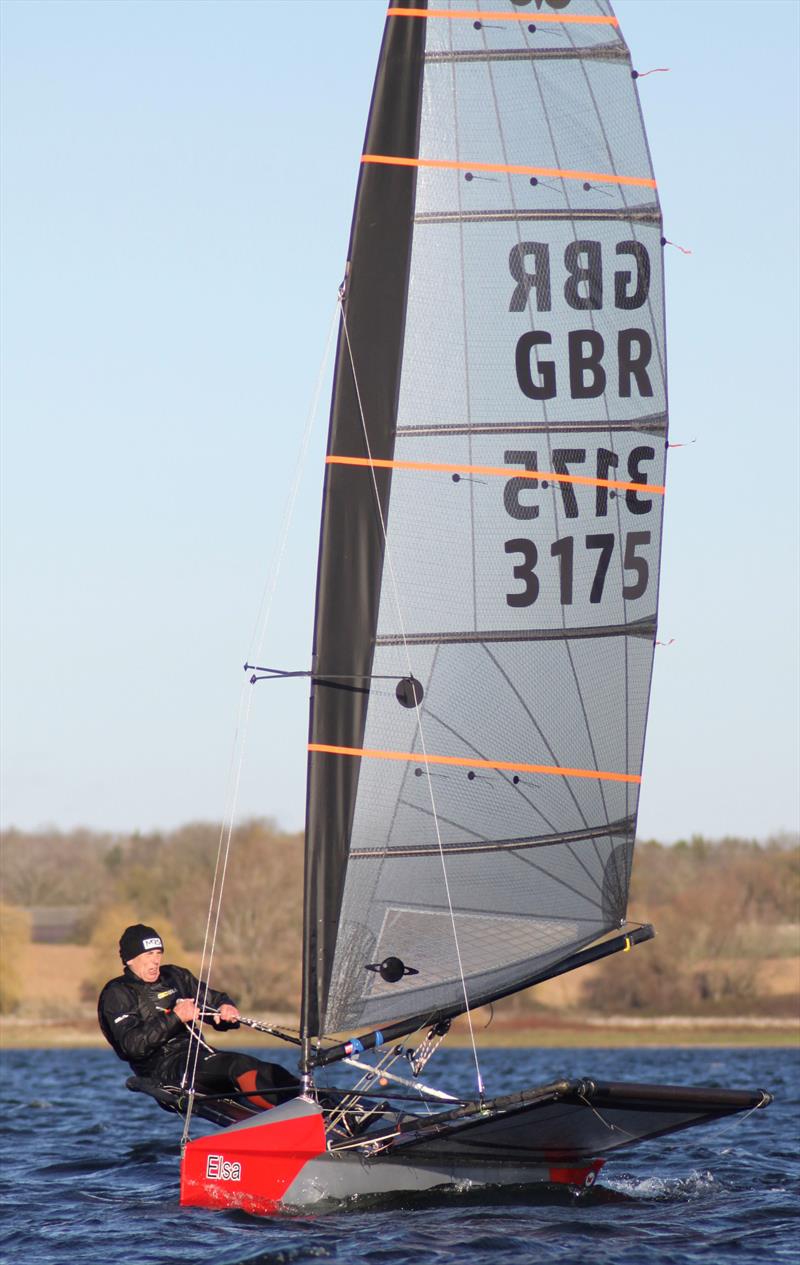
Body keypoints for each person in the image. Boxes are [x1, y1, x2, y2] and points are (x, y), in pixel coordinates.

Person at [98, 923, 300, 1110]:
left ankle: (320, 1104)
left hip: (200, 1057)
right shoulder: (118, 993)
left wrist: (225, 1007)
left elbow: (213, 1000)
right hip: (166, 1071)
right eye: (149, 954)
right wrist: (176, 1017)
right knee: (238, 1066)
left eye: (159, 953)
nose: (156, 960)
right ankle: (290, 1114)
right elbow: (132, 1046)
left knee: (268, 1070)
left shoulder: (175, 977)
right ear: (131, 959)